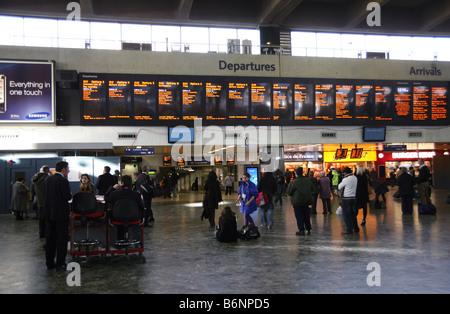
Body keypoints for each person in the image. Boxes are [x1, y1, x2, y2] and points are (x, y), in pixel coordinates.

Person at [43, 161, 72, 271]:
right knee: (61, 239)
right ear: (63, 169)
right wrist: (69, 194)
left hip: (48, 213)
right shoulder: (63, 180)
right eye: (68, 169)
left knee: (50, 238)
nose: (68, 171)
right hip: (60, 214)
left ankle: (49, 262)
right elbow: (67, 197)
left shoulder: (47, 179)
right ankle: (60, 263)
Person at [104, 175, 145, 240]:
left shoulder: (114, 194)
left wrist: (112, 188)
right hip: (134, 217)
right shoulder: (136, 194)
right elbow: (142, 206)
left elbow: (106, 198)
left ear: (121, 183)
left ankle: (120, 242)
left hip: (117, 217)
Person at [286, 167, 314, 236]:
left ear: (296, 173)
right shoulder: (308, 181)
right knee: (306, 215)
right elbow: (312, 188)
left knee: (299, 216)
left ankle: (301, 230)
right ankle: (308, 229)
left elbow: (288, 192)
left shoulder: (294, 182)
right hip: (307, 201)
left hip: (297, 202)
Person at [338, 167, 359, 234]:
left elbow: (339, 187)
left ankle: (349, 229)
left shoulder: (346, 179)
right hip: (353, 197)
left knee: (346, 214)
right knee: (352, 214)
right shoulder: (355, 178)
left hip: (346, 198)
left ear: (345, 173)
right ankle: (356, 228)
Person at [31, 165, 50, 237]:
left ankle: (41, 233)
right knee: (48, 219)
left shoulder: (34, 180)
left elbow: (32, 191)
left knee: (41, 218)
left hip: (40, 202)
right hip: (48, 202)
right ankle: (47, 233)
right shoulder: (49, 178)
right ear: (47, 171)